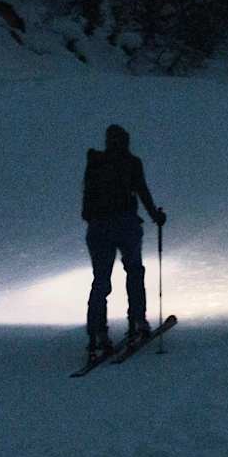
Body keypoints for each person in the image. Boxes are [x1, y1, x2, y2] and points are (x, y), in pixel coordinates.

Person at [81, 124, 166, 357]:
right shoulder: (131, 163)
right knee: (134, 271)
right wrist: (155, 216)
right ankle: (137, 320)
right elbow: (142, 191)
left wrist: (91, 218)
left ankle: (97, 332)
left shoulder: (96, 163)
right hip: (125, 224)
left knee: (101, 280)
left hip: (98, 228)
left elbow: (86, 196)